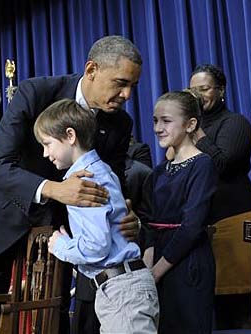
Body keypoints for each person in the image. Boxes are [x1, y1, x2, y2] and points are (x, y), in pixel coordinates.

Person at [0, 35, 142, 334]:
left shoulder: (121, 123)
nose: (127, 94)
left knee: (51, 320)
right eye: (120, 83)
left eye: (133, 85)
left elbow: (113, 182)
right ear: (92, 69)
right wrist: (56, 190)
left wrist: (124, 213)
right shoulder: (36, 92)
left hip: (59, 238)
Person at [34, 99, 159, 333]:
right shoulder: (99, 170)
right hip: (121, 288)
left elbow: (97, 246)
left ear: (70, 136)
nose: (45, 153)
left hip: (122, 290)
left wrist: (61, 246)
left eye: (47, 143)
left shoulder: (84, 182)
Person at [189, 64, 251, 329]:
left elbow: (223, 164)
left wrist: (196, 134)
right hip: (200, 225)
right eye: (192, 90)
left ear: (221, 91)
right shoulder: (189, 127)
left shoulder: (235, 123)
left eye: (204, 89)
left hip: (233, 218)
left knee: (234, 304)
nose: (197, 95)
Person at [143, 91, 217, 333]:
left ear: (190, 124)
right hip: (158, 263)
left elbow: (192, 226)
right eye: (155, 121)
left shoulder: (202, 164)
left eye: (166, 120)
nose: (157, 128)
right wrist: (147, 272)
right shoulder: (159, 172)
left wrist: (157, 271)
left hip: (187, 264)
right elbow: (149, 223)